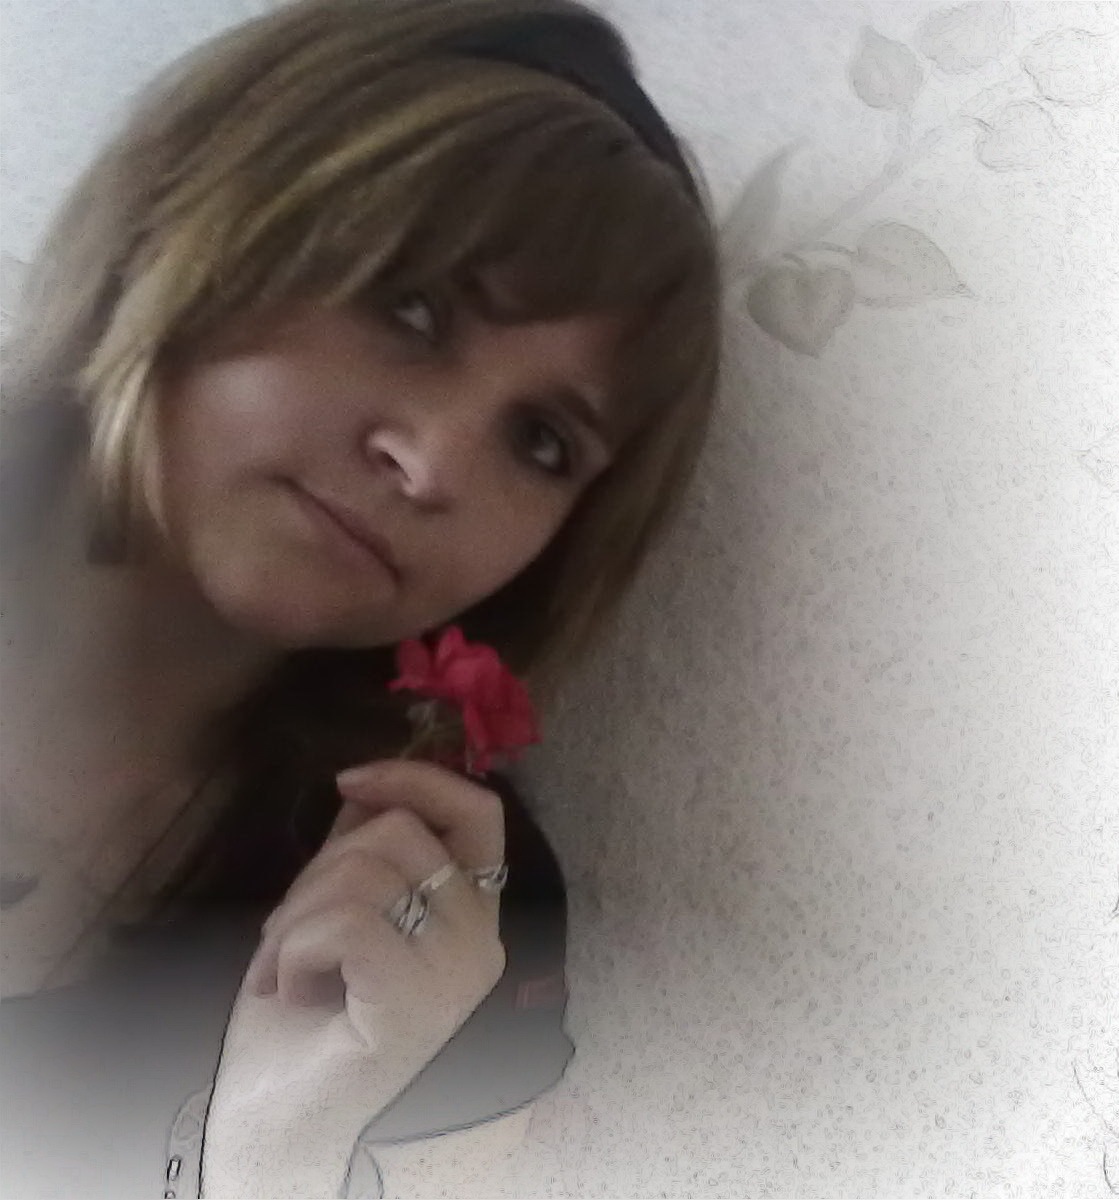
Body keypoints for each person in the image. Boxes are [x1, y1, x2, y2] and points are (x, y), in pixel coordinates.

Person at [0, 0, 722, 1194]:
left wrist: (279, 1150)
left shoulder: (446, 919)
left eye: (541, 441)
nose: (432, 464)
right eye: (411, 309)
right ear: (191, 217)